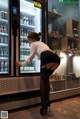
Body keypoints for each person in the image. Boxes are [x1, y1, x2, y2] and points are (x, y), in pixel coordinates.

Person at [16, 32, 60, 116]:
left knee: (43, 81)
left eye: (29, 40)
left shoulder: (33, 43)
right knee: (46, 79)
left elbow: (30, 58)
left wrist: (21, 64)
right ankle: (47, 102)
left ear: (32, 39)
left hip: (47, 58)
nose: (29, 42)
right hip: (56, 58)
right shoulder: (42, 43)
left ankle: (43, 106)